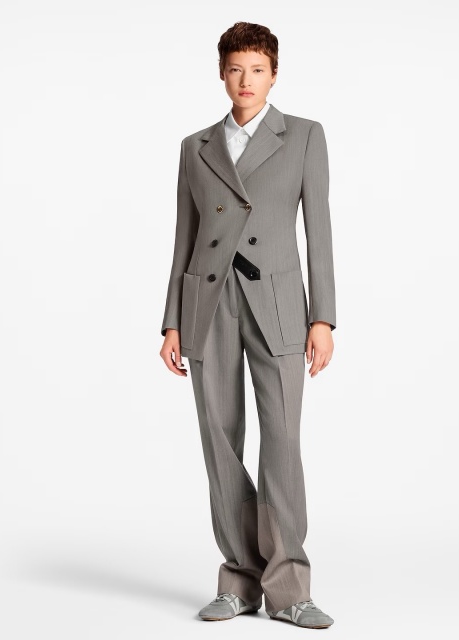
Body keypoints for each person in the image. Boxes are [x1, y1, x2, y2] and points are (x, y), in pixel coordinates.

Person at [159, 21, 336, 629]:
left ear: (274, 74)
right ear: (221, 73)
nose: (246, 80)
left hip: (279, 302)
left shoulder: (304, 136)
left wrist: (323, 317)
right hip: (208, 301)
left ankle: (289, 588)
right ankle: (239, 579)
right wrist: (172, 321)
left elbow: (319, 232)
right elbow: (183, 236)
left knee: (281, 440)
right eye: (236, 69)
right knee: (220, 438)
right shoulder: (196, 145)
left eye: (257, 69)